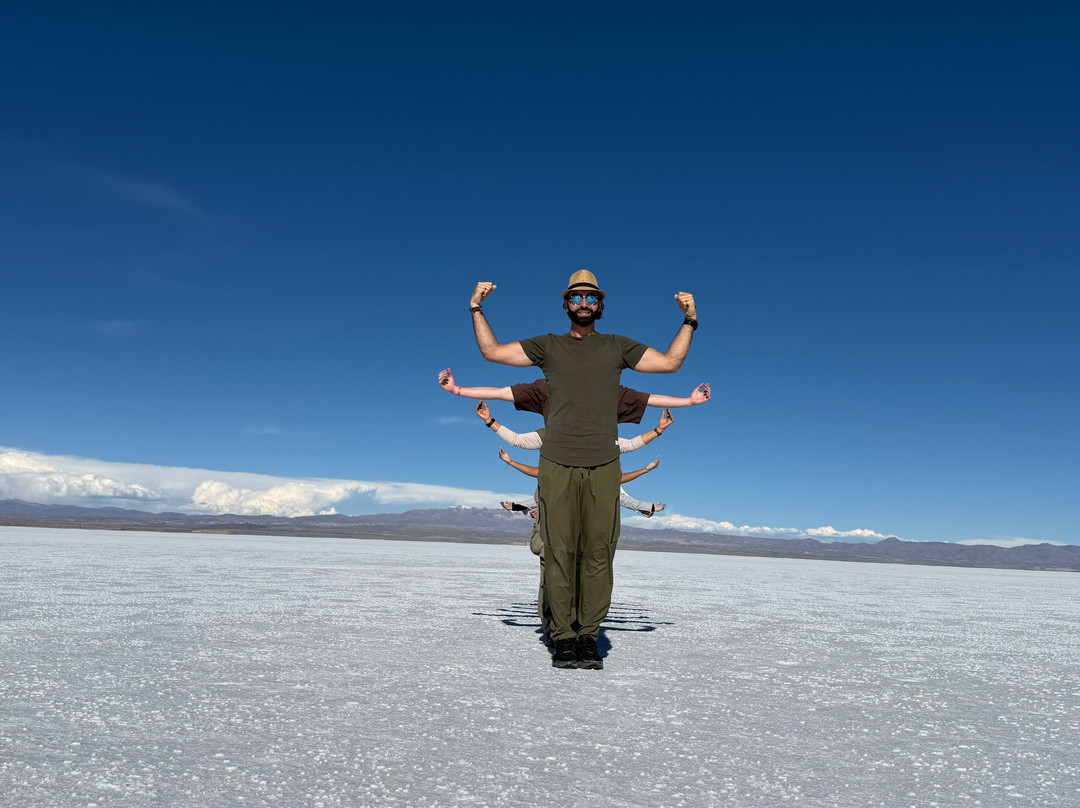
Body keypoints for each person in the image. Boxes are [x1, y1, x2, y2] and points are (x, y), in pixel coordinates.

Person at [468, 270, 698, 669]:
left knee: (598, 554)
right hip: (556, 464)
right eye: (577, 298)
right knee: (559, 553)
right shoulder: (548, 346)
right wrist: (476, 307)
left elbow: (671, 363)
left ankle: (587, 636)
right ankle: (562, 637)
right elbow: (493, 353)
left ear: (600, 305)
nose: (584, 304)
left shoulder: (617, 347)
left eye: (591, 298)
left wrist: (689, 319)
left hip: (605, 465)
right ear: (566, 304)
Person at [483, 402, 672, 641]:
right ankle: (556, 630)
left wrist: (658, 432)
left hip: (582, 534)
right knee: (552, 582)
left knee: (577, 582)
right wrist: (490, 423)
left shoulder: (602, 443)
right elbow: (522, 445)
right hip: (555, 534)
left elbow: (627, 455)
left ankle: (572, 629)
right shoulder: (553, 440)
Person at [438, 368, 709, 425]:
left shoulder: (607, 392)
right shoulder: (544, 388)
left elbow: (649, 399)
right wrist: (456, 390)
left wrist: (688, 401)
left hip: (598, 467)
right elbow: (497, 393)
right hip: (558, 465)